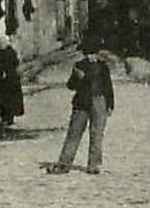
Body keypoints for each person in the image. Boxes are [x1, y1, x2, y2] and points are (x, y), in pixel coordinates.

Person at [48, 37, 115, 174]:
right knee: (84, 134)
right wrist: (78, 77)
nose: (91, 57)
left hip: (92, 102)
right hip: (89, 102)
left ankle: (82, 164)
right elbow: (71, 86)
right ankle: (76, 164)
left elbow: (107, 86)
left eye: (92, 54)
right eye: (90, 54)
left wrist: (110, 104)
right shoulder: (90, 66)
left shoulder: (94, 67)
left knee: (87, 134)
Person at [0, 38, 25, 127]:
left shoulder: (10, 52)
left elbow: (15, 64)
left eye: (2, 43)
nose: (1, 44)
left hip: (9, 80)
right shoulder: (2, 53)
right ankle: (5, 116)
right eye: (0, 43)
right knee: (4, 99)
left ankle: (9, 117)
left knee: (9, 99)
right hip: (4, 80)